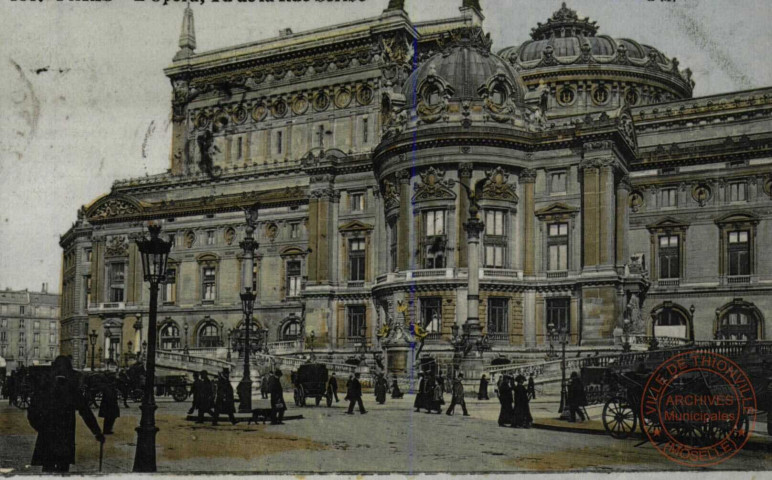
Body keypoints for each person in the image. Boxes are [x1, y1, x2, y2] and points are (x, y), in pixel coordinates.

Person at [27, 356, 104, 473]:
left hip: (47, 435)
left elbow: (32, 410)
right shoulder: (71, 389)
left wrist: (40, 427)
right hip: (65, 436)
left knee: (48, 468)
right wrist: (97, 432)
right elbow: (85, 412)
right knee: (63, 469)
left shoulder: (45, 386)